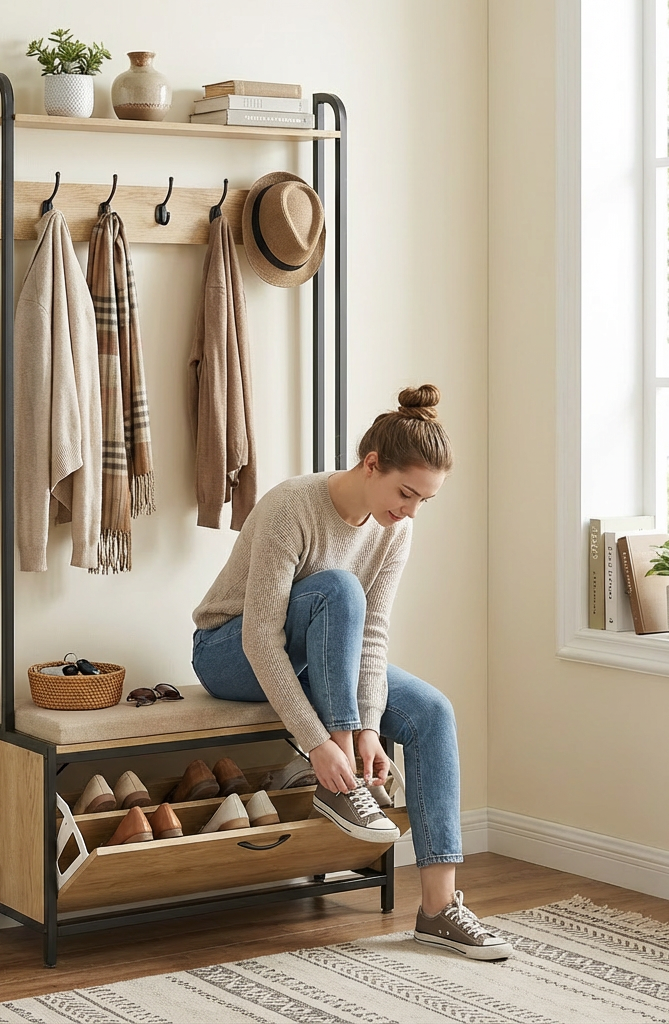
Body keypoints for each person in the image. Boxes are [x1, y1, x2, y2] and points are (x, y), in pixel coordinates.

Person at [191, 384, 512, 961]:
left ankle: (438, 909)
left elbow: (372, 637)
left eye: (424, 500)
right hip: (229, 653)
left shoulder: (396, 529)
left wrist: (368, 726)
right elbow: (260, 640)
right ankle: (339, 788)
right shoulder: (292, 507)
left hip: (322, 659)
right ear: (371, 464)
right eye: (406, 493)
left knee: (432, 711)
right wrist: (322, 745)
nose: (410, 511)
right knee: (338, 589)